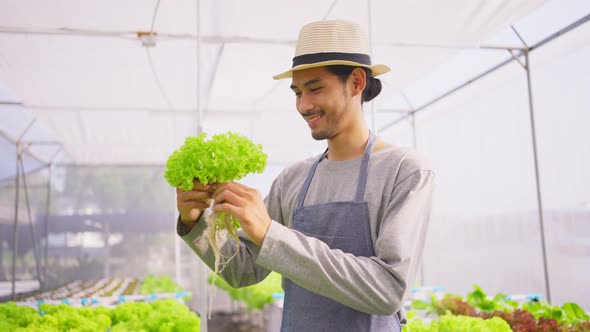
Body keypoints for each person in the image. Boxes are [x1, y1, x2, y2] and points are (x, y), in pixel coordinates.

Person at [176, 20, 435, 332]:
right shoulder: (294, 179)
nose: (303, 105)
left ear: (355, 82)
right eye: (297, 92)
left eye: (315, 88)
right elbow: (243, 270)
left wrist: (271, 234)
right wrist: (194, 223)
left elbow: (388, 290)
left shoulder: (405, 171)